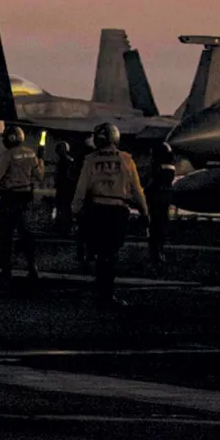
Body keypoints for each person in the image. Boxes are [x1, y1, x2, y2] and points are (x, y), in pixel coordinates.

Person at [72, 122, 150, 305]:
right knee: (111, 254)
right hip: (117, 212)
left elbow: (81, 189)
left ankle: (102, 292)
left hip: (96, 210)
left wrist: (74, 211)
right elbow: (137, 190)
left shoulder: (90, 160)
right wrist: (145, 212)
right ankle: (107, 294)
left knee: (100, 253)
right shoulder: (126, 159)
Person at [0, 126, 44, 284]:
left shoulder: (8, 155)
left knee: (6, 237)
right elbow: (40, 176)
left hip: (10, 199)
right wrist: (41, 159)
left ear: (10, 138)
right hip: (26, 198)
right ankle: (32, 267)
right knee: (26, 234)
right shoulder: (31, 153)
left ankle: (6, 271)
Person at [146, 142, 176, 266]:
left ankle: (155, 253)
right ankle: (158, 252)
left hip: (156, 201)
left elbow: (151, 184)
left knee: (154, 229)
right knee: (161, 228)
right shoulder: (170, 170)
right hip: (164, 201)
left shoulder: (158, 170)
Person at [51, 140, 77, 236]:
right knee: (64, 208)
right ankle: (64, 227)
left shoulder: (66, 162)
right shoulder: (68, 161)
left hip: (65, 188)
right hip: (66, 188)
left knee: (63, 208)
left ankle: (64, 227)